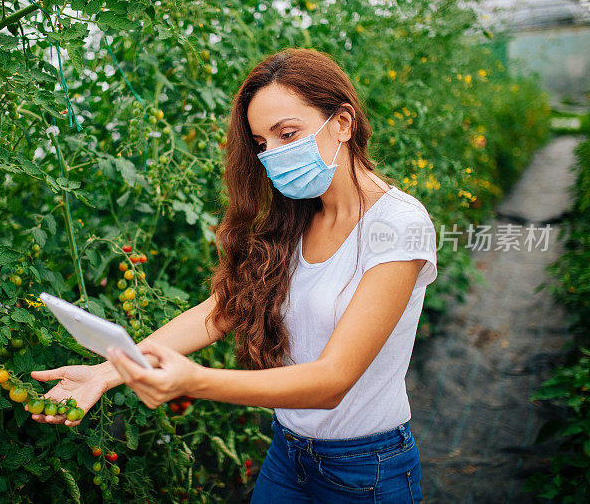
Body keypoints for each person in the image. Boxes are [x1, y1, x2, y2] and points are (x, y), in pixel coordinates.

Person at [29, 48, 436, 503]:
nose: (275, 155)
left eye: (288, 134)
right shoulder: (298, 218)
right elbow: (221, 311)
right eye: (263, 144)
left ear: (343, 122)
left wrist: (193, 380)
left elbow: (332, 381)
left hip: (366, 470)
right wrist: (110, 371)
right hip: (288, 453)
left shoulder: (397, 226)